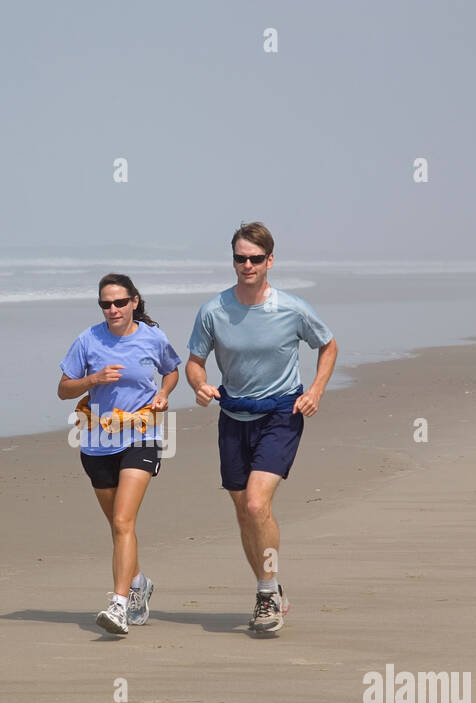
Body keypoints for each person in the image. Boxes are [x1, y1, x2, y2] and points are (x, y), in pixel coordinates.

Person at [186, 222, 337, 634]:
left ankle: (266, 595)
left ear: (270, 261)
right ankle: (269, 584)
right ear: (232, 260)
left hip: (281, 415)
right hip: (233, 416)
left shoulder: (291, 309)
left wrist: (317, 391)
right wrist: (199, 386)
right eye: (240, 258)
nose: (247, 265)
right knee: (244, 513)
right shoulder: (214, 310)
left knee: (256, 504)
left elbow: (328, 345)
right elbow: (195, 361)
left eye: (255, 258)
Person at [58, 274, 180, 636]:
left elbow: (172, 370)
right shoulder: (88, 340)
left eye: (119, 302)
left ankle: (119, 605)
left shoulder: (153, 338)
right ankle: (139, 583)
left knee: (124, 522)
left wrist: (163, 393)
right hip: (97, 442)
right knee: (117, 526)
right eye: (105, 304)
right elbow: (64, 389)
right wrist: (93, 380)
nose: (112, 309)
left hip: (142, 436)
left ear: (135, 302)